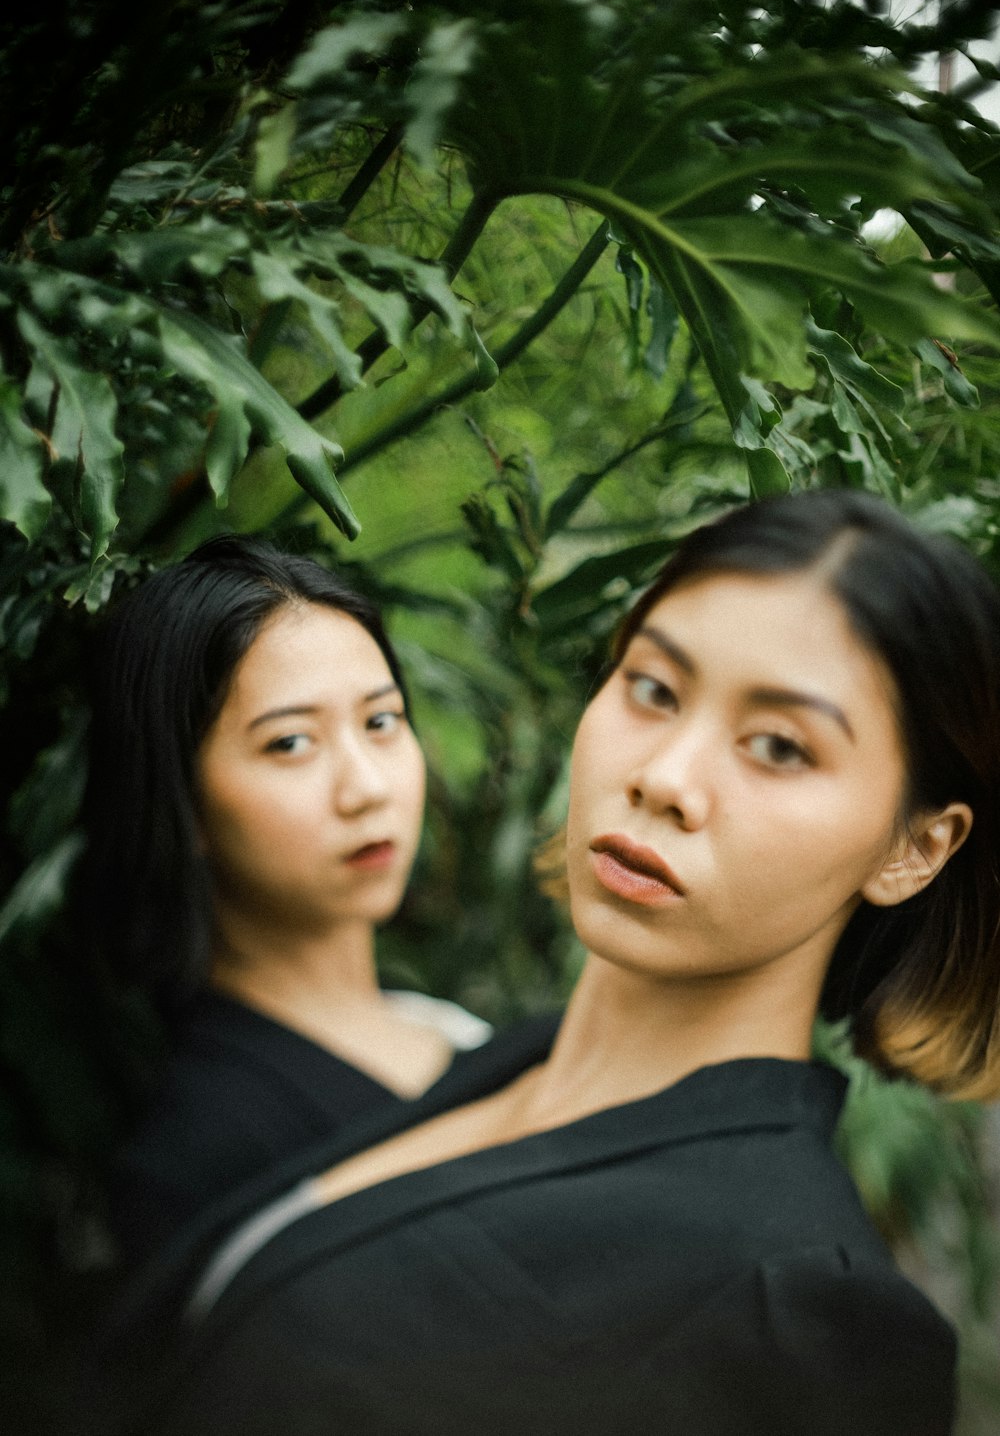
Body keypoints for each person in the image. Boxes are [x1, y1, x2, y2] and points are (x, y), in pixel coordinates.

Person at [121, 491, 1000, 1435]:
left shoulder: (807, 1319)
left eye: (779, 746)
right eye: (655, 688)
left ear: (914, 847)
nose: (664, 776)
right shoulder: (493, 1065)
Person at [73, 536, 490, 1271]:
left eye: (382, 722)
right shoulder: (198, 1160)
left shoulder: (459, 1036)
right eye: (291, 743)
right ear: (182, 800)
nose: (366, 787)